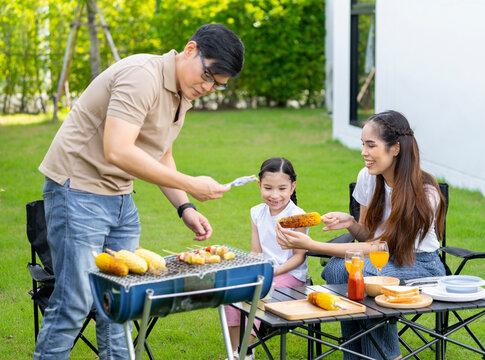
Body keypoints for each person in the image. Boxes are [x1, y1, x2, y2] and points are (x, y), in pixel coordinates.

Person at [34, 24, 244, 360]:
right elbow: (117, 150)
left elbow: (160, 153)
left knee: (122, 302)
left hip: (119, 198)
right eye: (207, 75)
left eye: (216, 85)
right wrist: (191, 182)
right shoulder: (142, 76)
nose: (207, 87)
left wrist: (185, 207)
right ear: (190, 49)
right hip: (78, 190)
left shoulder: (181, 93)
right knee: (74, 303)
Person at [276, 110, 447, 360]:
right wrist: (351, 224)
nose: (364, 152)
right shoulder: (368, 177)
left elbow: (380, 248)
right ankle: (355, 356)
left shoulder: (425, 193)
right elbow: (368, 237)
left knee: (365, 276)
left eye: (371, 145)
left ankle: (388, 356)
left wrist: (313, 244)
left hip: (421, 265)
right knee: (337, 269)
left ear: (395, 149)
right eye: (362, 144)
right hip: (383, 259)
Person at [224, 157, 308, 360]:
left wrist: (272, 272)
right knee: (231, 293)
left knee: (257, 292)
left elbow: (298, 257)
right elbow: (256, 252)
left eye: (282, 188)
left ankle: (246, 350)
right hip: (263, 271)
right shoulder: (256, 212)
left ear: (292, 187)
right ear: (260, 185)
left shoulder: (298, 216)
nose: (274, 195)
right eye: (268, 188)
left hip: (289, 274)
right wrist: (251, 270)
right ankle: (236, 351)